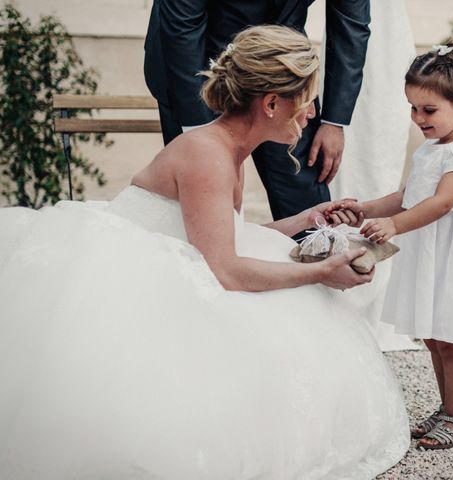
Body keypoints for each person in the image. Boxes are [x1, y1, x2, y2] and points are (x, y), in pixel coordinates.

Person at [0, 26, 409, 478]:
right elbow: (225, 270)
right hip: (129, 281)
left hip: (181, 261)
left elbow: (217, 234)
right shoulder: (206, 155)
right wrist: (322, 272)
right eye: (308, 99)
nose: (313, 111)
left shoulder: (228, 148)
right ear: (271, 103)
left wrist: (302, 220)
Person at [329, 43, 453, 449]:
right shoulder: (431, 148)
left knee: (452, 339)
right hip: (432, 252)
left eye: (428, 110)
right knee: (433, 336)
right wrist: (364, 208)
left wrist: (393, 225)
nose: (418, 118)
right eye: (413, 108)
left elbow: (440, 203)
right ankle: (446, 409)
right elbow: (408, 196)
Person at [143, 0, 371, 223]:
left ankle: (317, 260)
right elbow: (182, 24)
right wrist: (201, 139)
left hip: (283, 73)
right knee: (198, 210)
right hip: (196, 68)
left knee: (307, 208)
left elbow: (350, 24)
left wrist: (334, 121)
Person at [326, 0, 418, 352]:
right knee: (346, 169)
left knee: (377, 159)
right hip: (345, 57)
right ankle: (331, 277)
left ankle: (368, 291)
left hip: (384, 57)